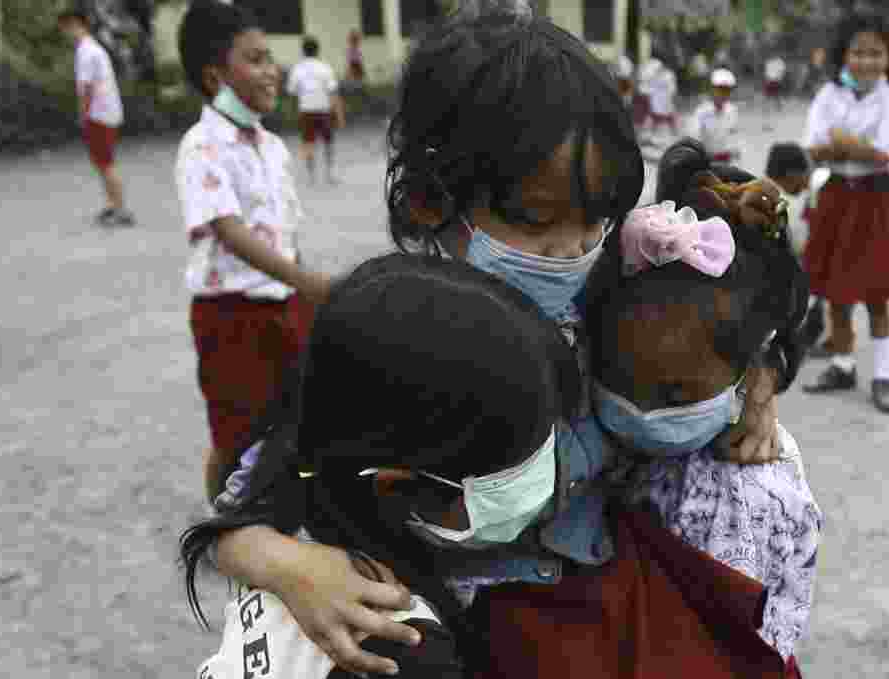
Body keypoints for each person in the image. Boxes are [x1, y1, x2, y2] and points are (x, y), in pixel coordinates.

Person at [204, 7, 786, 677]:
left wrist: (760, 384)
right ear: (430, 199)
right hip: (460, 616)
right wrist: (292, 565)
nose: (573, 251)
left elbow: (745, 318)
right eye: (539, 226)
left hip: (594, 592)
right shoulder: (384, 336)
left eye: (596, 221)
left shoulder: (607, 282)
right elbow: (239, 511)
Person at [183, 252, 587, 678]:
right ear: (395, 485)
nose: (550, 470)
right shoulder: (400, 649)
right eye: (518, 465)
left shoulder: (298, 487)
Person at [581, 139, 821, 668]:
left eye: (675, 394)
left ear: (745, 376)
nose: (639, 412)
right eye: (619, 381)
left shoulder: (754, 492)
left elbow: (740, 639)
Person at [175, 0, 330, 501]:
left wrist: (305, 293)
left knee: (298, 419)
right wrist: (309, 283)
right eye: (257, 59)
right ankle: (223, 524)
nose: (272, 70)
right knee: (235, 435)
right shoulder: (202, 145)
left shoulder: (272, 146)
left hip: (288, 305)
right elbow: (228, 229)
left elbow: (284, 233)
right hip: (230, 314)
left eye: (271, 57)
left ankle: (296, 508)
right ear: (216, 76)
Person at [800, 11, 889, 414]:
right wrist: (854, 146)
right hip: (836, 198)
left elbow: (884, 154)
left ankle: (883, 375)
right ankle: (842, 364)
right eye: (857, 52)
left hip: (875, 201)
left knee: (877, 294)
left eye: (876, 53)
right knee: (835, 293)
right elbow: (812, 149)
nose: (866, 61)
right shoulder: (828, 96)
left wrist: (840, 141)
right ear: (842, 55)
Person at [57, 6, 136, 227]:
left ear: (76, 25)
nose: (65, 33)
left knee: (105, 163)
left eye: (66, 28)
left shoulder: (86, 51)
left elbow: (86, 88)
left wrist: (82, 115)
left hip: (98, 114)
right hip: (106, 112)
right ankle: (113, 204)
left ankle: (120, 208)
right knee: (102, 162)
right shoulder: (93, 49)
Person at [765, 142, 830, 350]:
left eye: (783, 183)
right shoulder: (816, 184)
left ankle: (818, 328)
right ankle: (821, 329)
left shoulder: (822, 183)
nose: (785, 190)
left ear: (793, 173)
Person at [287, 36, 346, 185]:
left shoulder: (297, 68)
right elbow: (333, 92)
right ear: (317, 50)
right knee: (328, 142)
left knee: (308, 142)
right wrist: (339, 114)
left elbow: (291, 90)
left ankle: (311, 176)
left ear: (303, 51)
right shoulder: (324, 67)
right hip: (323, 110)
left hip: (306, 110)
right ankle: (330, 174)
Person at [687, 68, 741, 163]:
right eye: (720, 90)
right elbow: (694, 140)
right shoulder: (701, 112)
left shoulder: (732, 111)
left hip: (726, 161)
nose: (723, 94)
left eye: (727, 90)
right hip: (707, 162)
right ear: (712, 90)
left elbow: (734, 139)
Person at [639, 55, 678, 144]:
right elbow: (647, 87)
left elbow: (672, 89)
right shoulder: (654, 74)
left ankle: (675, 135)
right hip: (657, 102)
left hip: (665, 101)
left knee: (669, 118)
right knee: (654, 118)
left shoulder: (668, 75)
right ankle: (648, 136)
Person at [764, 54, 787, 124]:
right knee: (769, 96)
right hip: (770, 80)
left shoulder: (779, 61)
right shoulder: (769, 61)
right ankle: (770, 107)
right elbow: (767, 71)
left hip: (776, 80)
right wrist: (767, 79)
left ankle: (779, 107)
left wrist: (780, 78)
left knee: (777, 95)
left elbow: (782, 71)